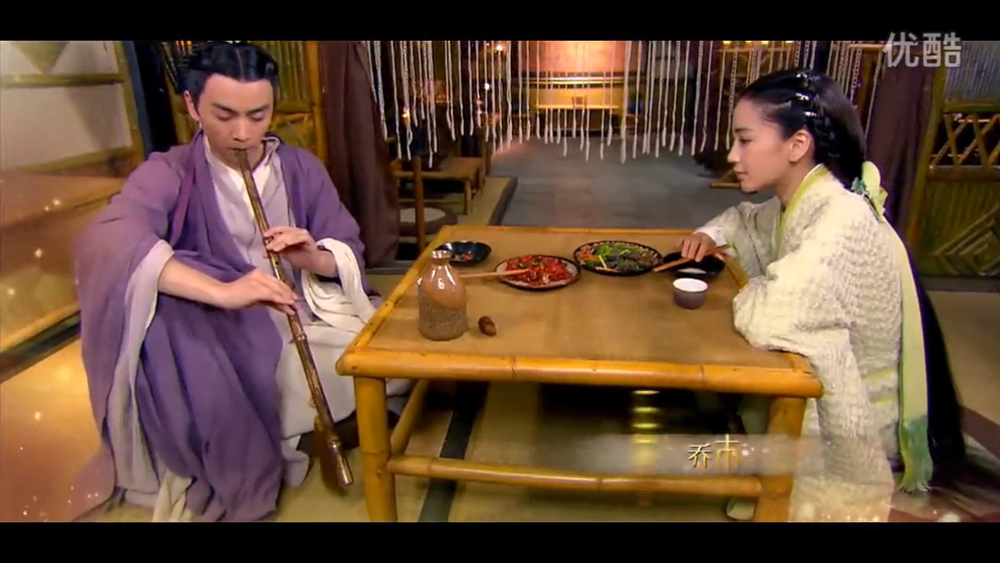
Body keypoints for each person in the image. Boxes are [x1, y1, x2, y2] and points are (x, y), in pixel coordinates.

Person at [72, 41, 411, 522]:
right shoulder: (169, 171)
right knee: (201, 372)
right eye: (224, 115)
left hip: (305, 310)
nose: (243, 133)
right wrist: (224, 292)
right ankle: (285, 432)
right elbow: (110, 242)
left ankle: (298, 425)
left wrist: (312, 256)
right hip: (223, 328)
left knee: (399, 359)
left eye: (258, 115)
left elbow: (346, 251)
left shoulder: (300, 168)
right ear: (192, 106)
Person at [678, 69, 974, 522]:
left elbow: (772, 315)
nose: (733, 155)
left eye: (745, 140)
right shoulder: (806, 198)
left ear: (797, 144)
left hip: (859, 411)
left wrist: (758, 286)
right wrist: (708, 235)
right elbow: (743, 222)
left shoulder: (840, 220)